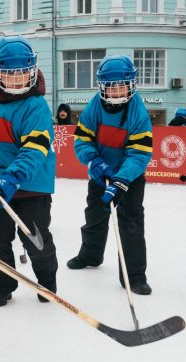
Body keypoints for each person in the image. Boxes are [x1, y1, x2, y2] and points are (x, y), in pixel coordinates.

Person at [0, 35, 58, 306]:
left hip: (32, 181)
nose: (18, 79)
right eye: (9, 74)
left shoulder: (36, 106)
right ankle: (1, 284)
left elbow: (35, 150)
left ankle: (47, 282)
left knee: (35, 238)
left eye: (24, 72)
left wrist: (13, 177)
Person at [67, 54, 154, 295]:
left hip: (129, 178)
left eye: (122, 85)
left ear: (131, 84)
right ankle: (90, 255)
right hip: (100, 174)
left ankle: (134, 275)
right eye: (111, 86)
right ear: (102, 86)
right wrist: (94, 162)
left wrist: (121, 179)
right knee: (94, 216)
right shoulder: (94, 106)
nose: (117, 91)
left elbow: (139, 153)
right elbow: (82, 139)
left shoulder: (138, 112)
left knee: (131, 224)